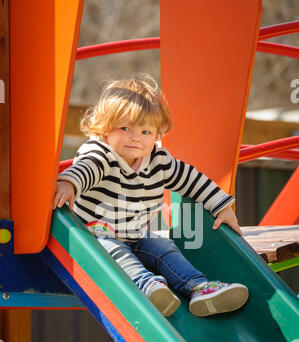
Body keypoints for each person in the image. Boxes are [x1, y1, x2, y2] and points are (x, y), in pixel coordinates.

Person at [54, 74, 248, 317]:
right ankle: (148, 287)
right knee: (113, 251)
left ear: (156, 135)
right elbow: (85, 169)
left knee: (163, 246)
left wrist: (221, 206)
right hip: (95, 237)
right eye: (126, 128)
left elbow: (192, 180)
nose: (136, 137)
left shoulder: (158, 162)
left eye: (146, 131)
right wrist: (69, 183)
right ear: (105, 130)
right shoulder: (102, 155)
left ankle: (198, 287)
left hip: (136, 235)